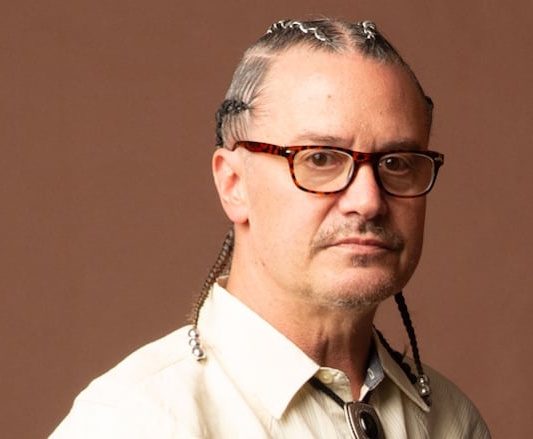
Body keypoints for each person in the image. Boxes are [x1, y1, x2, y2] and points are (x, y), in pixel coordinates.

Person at [50, 17, 490, 438]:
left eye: (396, 163)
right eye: (320, 158)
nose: (368, 201)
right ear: (234, 184)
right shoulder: (137, 423)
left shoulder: (454, 423)